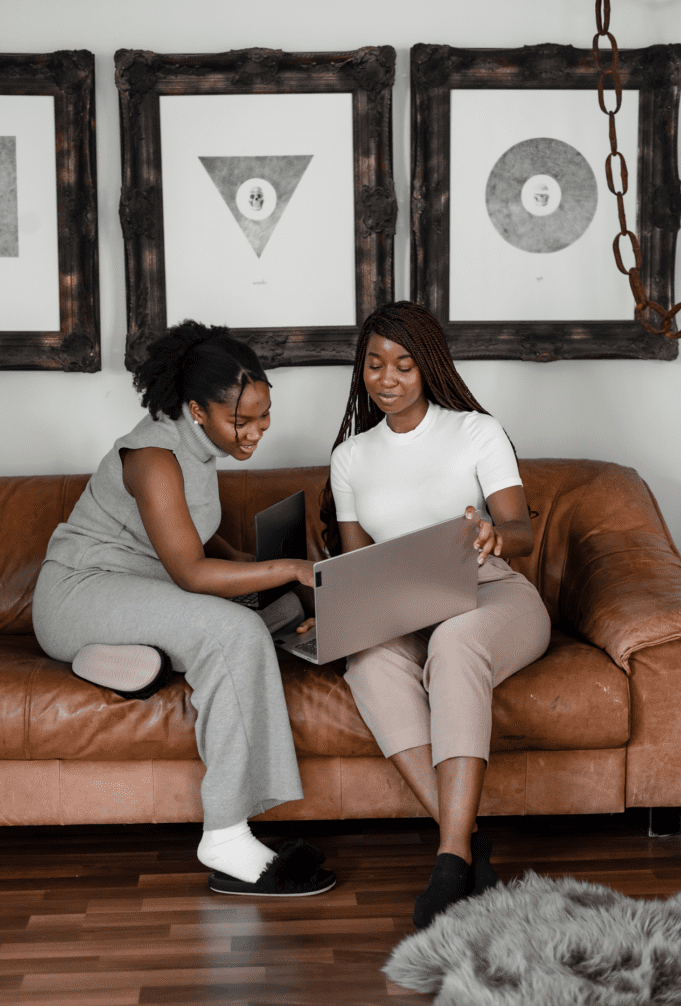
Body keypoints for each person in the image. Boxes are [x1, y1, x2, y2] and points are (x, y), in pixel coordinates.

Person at [32, 320, 334, 899]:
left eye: (263, 416)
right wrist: (293, 568)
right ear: (197, 411)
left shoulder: (198, 447)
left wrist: (261, 574)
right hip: (81, 592)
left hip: (141, 590)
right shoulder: (154, 456)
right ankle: (225, 835)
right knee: (233, 633)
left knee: (269, 613)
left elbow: (192, 538)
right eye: (240, 421)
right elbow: (191, 572)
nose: (255, 433)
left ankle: (132, 658)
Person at [321, 301, 551, 928]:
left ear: (429, 367)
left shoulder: (476, 431)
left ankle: (451, 859)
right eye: (374, 364)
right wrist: (334, 612)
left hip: (491, 591)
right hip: (402, 606)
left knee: (455, 643)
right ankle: (471, 837)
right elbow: (356, 563)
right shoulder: (350, 457)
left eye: (402, 364)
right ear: (361, 370)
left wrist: (494, 537)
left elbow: (521, 531)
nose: (386, 378)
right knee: (365, 658)